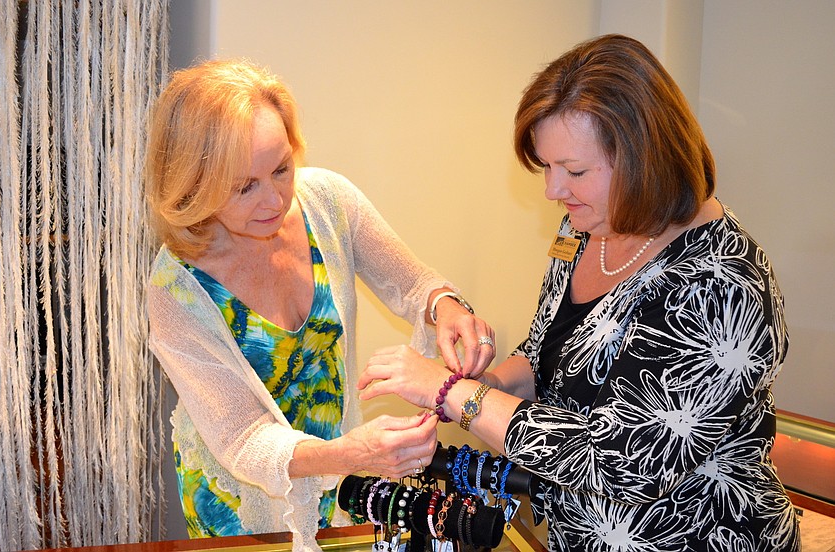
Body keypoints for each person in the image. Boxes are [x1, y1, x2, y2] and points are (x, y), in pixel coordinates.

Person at [359, 34, 800, 551]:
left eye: (575, 171)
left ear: (645, 158)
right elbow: (554, 355)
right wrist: (487, 379)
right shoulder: (585, 226)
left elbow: (609, 461)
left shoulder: (721, 285)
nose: (552, 190)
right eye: (547, 167)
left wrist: (451, 393)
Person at [145, 59, 495, 550]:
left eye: (282, 168)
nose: (274, 199)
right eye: (245, 186)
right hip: (239, 507)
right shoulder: (175, 288)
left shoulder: (327, 202)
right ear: (194, 184)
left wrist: (448, 307)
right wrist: (349, 453)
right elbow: (243, 440)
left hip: (344, 478)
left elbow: (414, 285)